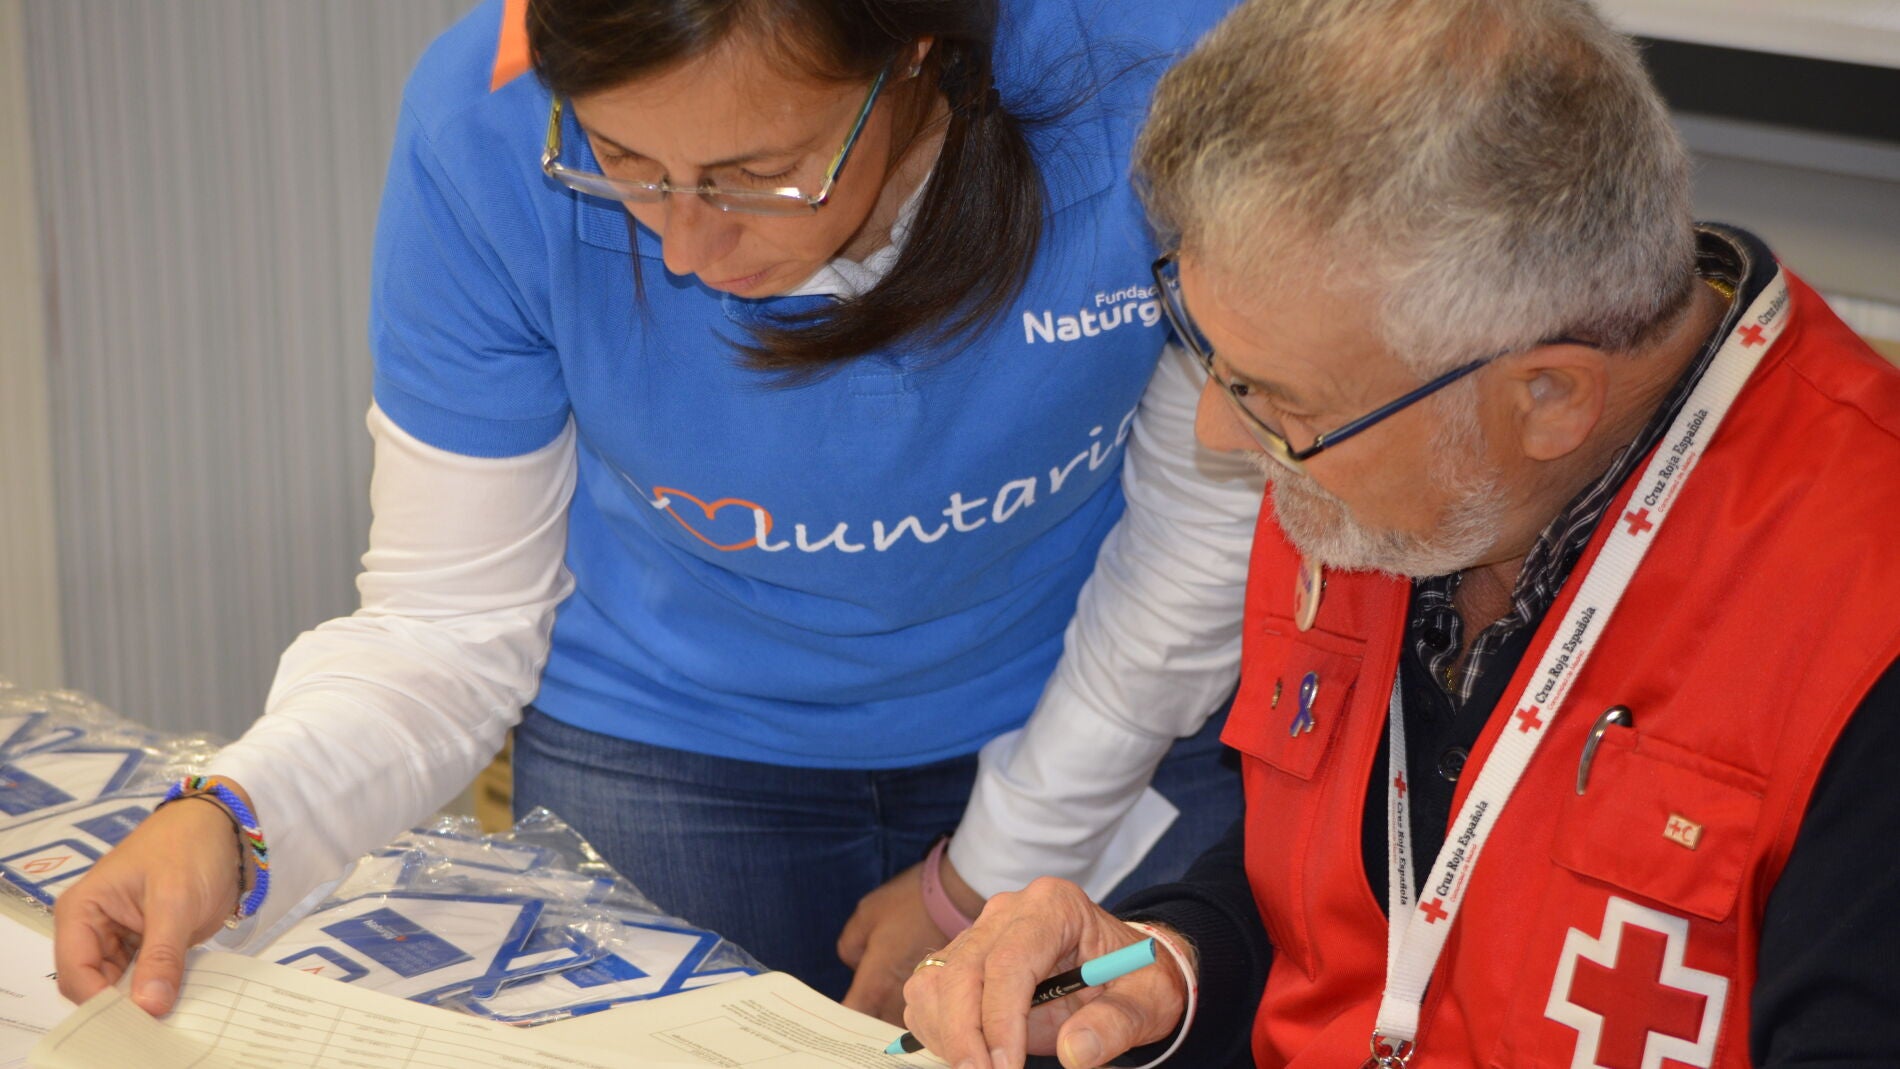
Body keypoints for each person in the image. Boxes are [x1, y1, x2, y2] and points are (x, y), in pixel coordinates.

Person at [50, 0, 1262, 1021]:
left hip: (1100, 700)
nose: (686, 247)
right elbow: (445, 624)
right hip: (669, 742)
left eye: (756, 176)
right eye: (624, 162)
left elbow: (1204, 530)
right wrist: (237, 820)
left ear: (915, 52)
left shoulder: (1161, 75)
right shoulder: (484, 125)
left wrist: (991, 870)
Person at [899, 0, 1900, 1066]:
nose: (1220, 434)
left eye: (1278, 400)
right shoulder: (1386, 445)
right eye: (1211, 360)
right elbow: (1353, 880)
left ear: (1549, 397)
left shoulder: (1862, 629)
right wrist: (1168, 965)